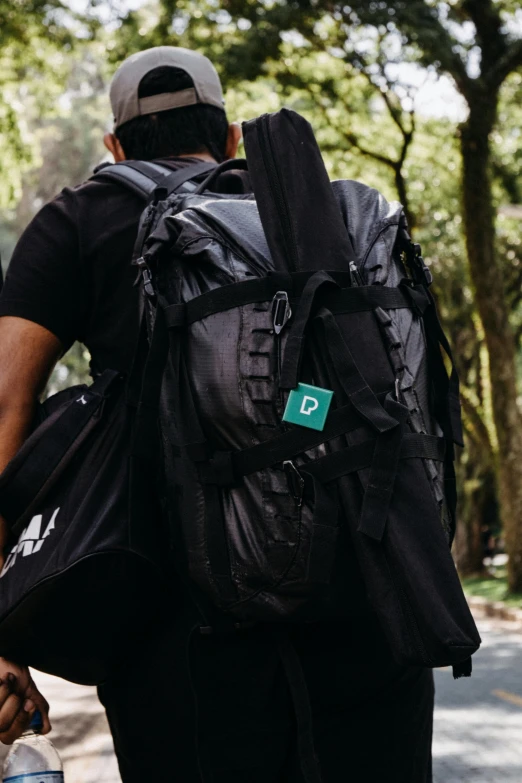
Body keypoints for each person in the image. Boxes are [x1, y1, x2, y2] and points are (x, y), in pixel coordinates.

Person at [0, 46, 434, 782]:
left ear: (114, 145)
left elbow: (7, 408)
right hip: (371, 612)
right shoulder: (322, 213)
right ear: (233, 138)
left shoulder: (80, 219)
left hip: (186, 649)